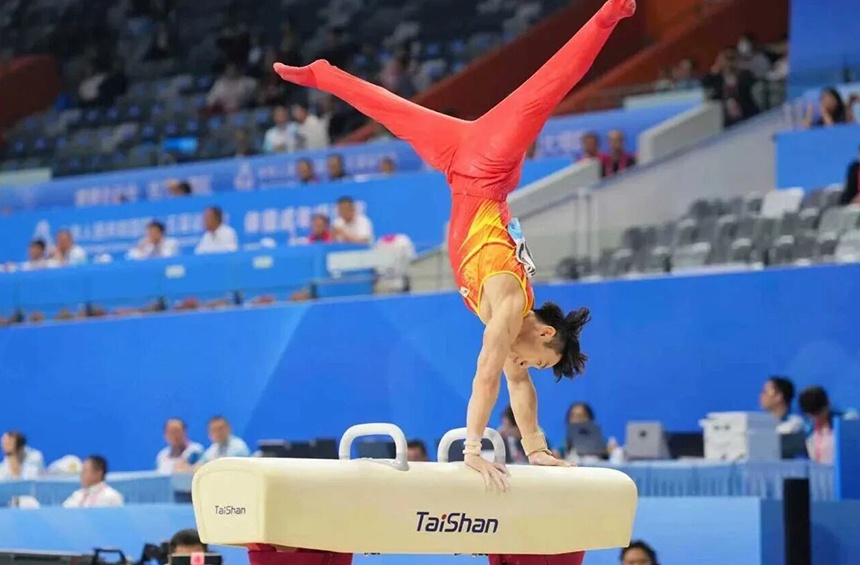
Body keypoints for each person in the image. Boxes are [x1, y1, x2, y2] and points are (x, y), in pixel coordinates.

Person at [274, 0, 636, 491]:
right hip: (488, 168)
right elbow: (486, 375)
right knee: (546, 89)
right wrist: (471, 451)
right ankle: (607, 15)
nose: (526, 365)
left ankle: (324, 74)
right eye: (539, 360)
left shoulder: (515, 331)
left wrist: (536, 448)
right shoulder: (509, 306)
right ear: (546, 333)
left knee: (391, 110)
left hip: (455, 165)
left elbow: (517, 384)